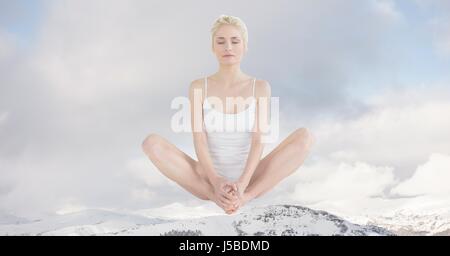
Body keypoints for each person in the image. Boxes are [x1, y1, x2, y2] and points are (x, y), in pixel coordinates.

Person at [142, 15, 314, 214]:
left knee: (305, 137)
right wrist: (215, 181)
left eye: (235, 41)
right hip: (206, 177)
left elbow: (259, 140)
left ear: (245, 46)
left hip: (251, 176)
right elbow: (199, 139)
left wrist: (243, 183)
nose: (228, 47)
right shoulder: (198, 86)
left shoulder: (260, 87)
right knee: (151, 143)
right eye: (220, 41)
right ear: (213, 47)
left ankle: (244, 198)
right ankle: (215, 196)